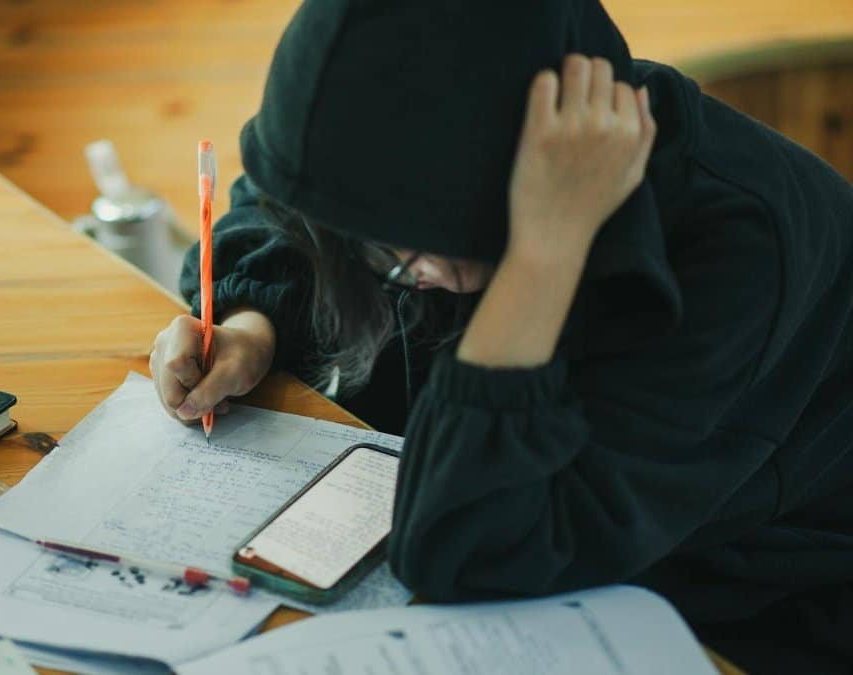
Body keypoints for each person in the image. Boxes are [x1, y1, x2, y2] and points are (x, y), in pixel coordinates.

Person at [146, 1, 853, 670]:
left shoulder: (736, 258)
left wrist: (542, 256)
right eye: (377, 250)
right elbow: (289, 214)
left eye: (423, 248)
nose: (407, 274)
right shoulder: (409, 155)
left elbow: (470, 552)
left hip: (732, 611)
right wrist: (252, 326)